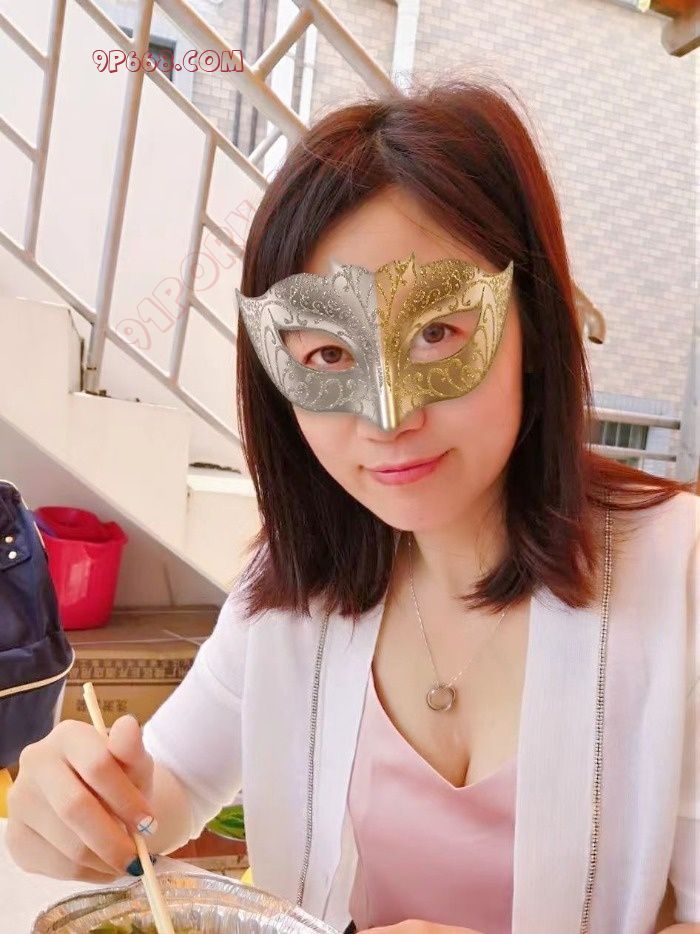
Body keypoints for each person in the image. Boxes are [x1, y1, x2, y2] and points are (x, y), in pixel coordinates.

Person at [6, 78, 697, 934]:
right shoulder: (296, 587)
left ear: (534, 322)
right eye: (329, 354)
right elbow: (160, 795)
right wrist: (74, 808)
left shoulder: (680, 578)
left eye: (436, 333)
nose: (386, 417)